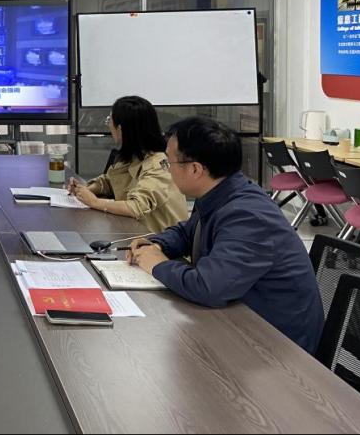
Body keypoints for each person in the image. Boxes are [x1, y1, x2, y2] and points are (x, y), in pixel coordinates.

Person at [127, 117, 324, 353]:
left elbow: (208, 287)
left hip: (278, 349)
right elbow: (189, 232)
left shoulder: (248, 216)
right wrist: (157, 244)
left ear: (195, 169)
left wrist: (158, 265)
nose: (167, 169)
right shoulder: (220, 192)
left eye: (168, 163)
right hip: (241, 322)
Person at [68, 96, 189, 233]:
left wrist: (94, 202)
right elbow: (110, 181)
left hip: (161, 241)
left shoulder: (158, 165)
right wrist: (85, 190)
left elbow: (136, 207)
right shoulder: (135, 155)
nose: (109, 126)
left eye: (109, 121)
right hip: (136, 233)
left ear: (120, 130)